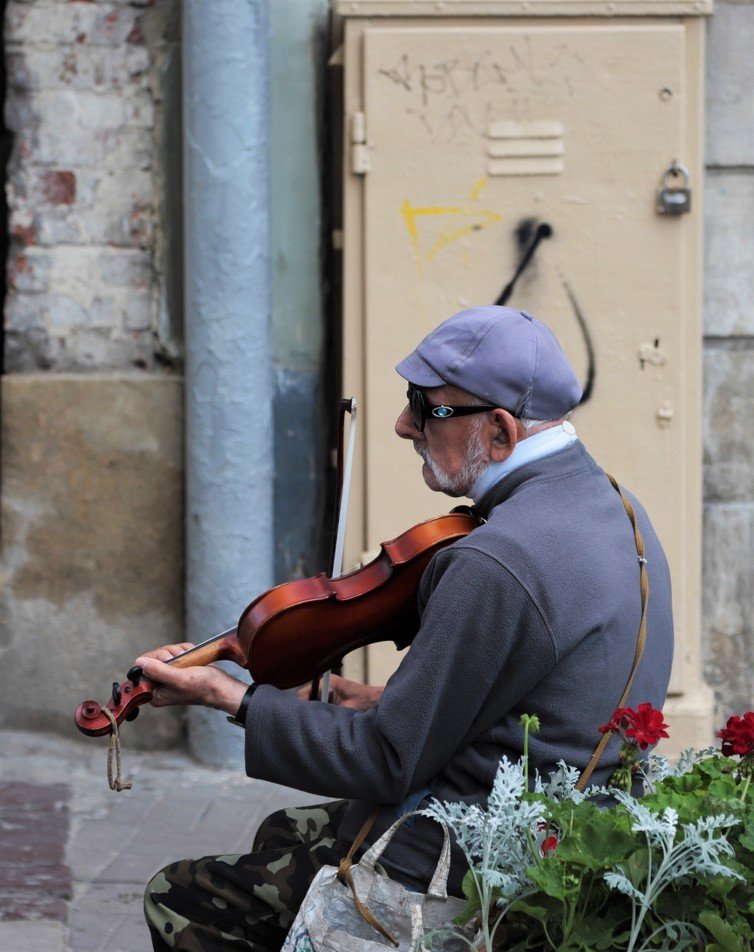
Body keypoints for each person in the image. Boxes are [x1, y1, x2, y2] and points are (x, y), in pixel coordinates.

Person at [141, 305, 674, 951]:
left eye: (426, 408)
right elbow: (512, 699)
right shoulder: (617, 505)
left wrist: (225, 696)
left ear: (500, 431)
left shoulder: (494, 560)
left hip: (479, 854)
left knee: (180, 896)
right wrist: (350, 696)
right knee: (284, 833)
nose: (403, 425)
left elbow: (386, 760)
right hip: (574, 821)